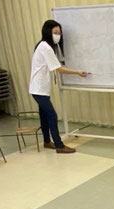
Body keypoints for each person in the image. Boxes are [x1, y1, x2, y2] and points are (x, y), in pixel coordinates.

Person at [29, 20, 88, 154]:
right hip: (38, 89)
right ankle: (59, 145)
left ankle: (46, 141)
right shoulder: (45, 47)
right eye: (55, 33)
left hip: (40, 89)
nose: (58, 35)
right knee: (52, 116)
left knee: (44, 116)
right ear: (48, 32)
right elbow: (59, 69)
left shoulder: (44, 46)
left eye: (59, 33)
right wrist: (77, 72)